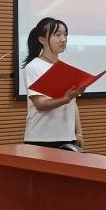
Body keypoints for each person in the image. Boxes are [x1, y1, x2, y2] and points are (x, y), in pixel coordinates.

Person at [22, 17, 83, 150]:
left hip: (67, 136)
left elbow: (73, 103)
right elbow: (40, 104)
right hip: (41, 138)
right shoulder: (33, 67)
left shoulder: (65, 69)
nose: (63, 39)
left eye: (65, 34)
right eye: (57, 35)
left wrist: (78, 133)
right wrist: (65, 99)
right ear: (42, 39)